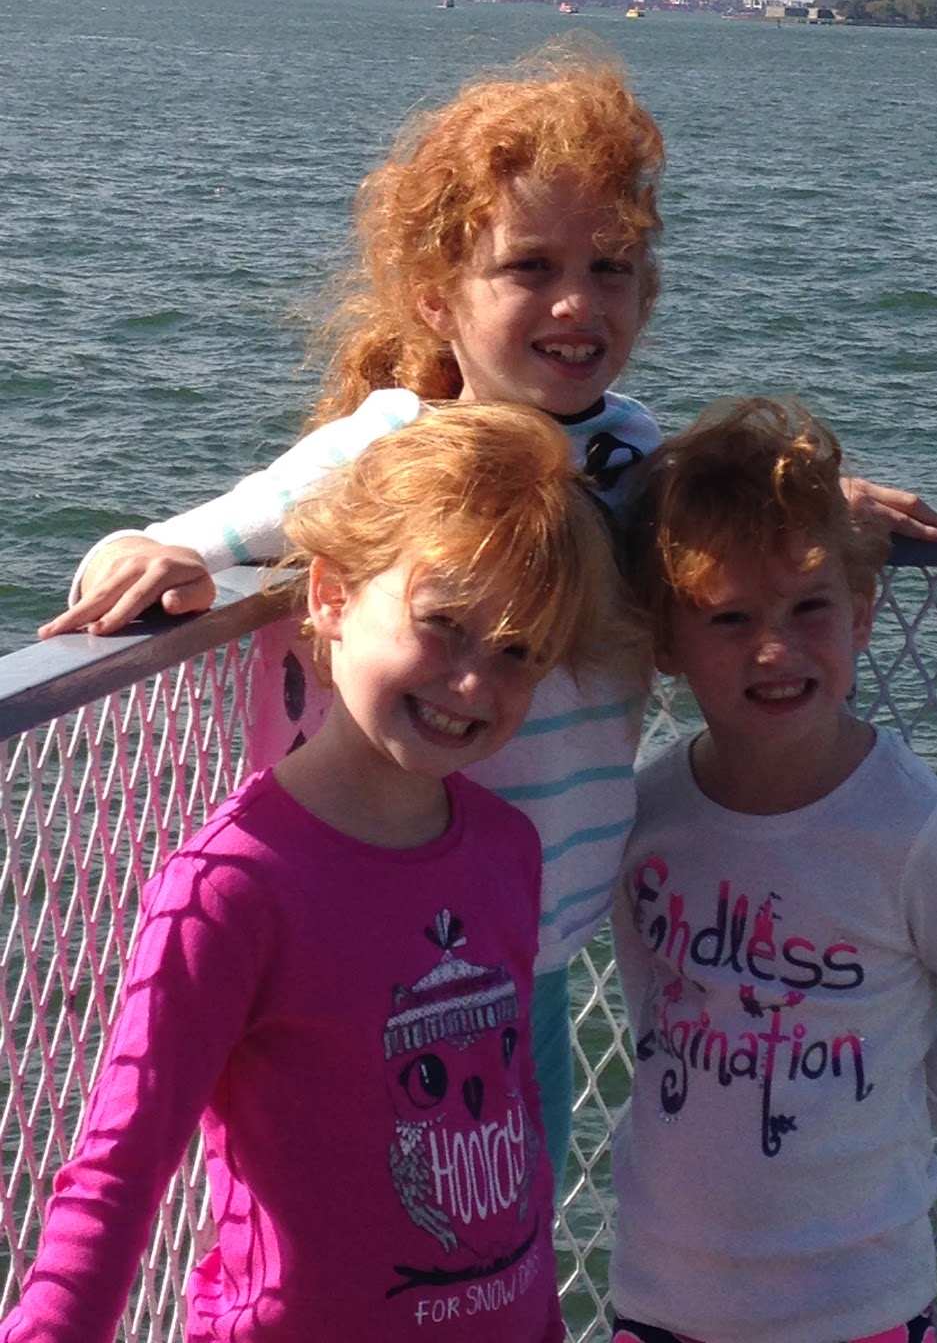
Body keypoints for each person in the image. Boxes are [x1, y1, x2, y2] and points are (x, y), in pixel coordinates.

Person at [38, 51, 937, 1181]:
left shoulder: (631, 457)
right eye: (531, 266)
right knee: (348, 1208)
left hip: (536, 954)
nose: (579, 303)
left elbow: (702, 524)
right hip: (378, 930)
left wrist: (805, 507)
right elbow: (207, 533)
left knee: (505, 1220)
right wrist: (146, 556)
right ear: (439, 297)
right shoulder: (389, 447)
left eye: (611, 266)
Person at [1, 403, 637, 1343]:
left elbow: (512, 1132)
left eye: (516, 654)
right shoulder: (233, 884)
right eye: (444, 624)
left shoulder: (507, 848)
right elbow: (119, 1172)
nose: (474, 684)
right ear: (332, 597)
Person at [609, 397, 937, 1343]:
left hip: (857, 1304)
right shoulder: (644, 814)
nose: (775, 648)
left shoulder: (923, 837)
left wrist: (891, 1114)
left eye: (809, 607)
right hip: (660, 1292)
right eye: (729, 619)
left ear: (861, 612)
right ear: (664, 647)